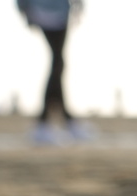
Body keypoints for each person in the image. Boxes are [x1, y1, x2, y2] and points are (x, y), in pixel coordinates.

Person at [16, 0, 92, 144]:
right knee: (58, 62)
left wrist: (78, 6)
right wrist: (24, 9)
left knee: (58, 63)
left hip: (59, 13)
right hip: (42, 12)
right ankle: (48, 123)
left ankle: (58, 121)